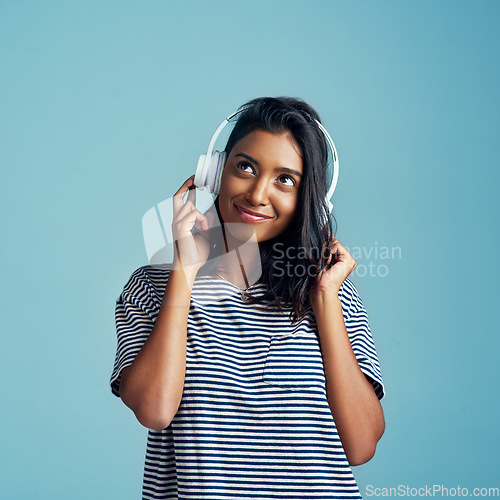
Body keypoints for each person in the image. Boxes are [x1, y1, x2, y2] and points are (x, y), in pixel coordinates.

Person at [110, 97, 385, 499]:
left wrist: (325, 300)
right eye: (245, 167)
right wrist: (184, 272)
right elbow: (154, 410)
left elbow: (361, 446)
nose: (257, 194)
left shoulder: (333, 295)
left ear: (309, 198)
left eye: (285, 180)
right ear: (214, 173)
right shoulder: (152, 287)